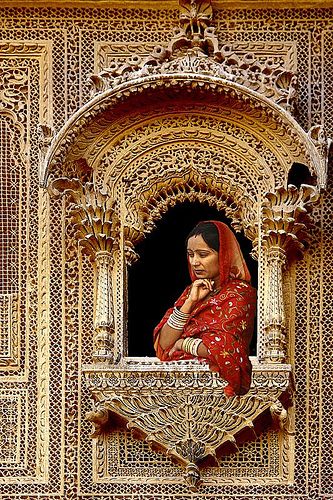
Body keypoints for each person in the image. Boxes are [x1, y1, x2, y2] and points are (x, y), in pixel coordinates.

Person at [153, 221, 256, 397]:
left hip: (221, 394)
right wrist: (190, 303)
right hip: (178, 390)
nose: (194, 262)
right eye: (190, 255)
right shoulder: (191, 292)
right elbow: (163, 345)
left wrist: (182, 343)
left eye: (203, 254)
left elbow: (226, 349)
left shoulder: (241, 294)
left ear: (224, 254)